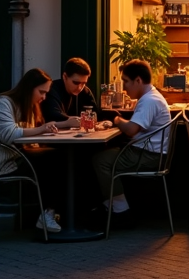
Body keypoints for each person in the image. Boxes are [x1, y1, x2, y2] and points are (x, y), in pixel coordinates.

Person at [91, 60, 171, 229]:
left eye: (126, 81)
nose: (125, 87)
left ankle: (120, 211)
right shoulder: (152, 96)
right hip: (151, 152)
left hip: (148, 156)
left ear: (138, 80)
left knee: (100, 160)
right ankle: (111, 206)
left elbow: (131, 130)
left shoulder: (149, 100)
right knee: (104, 156)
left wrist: (116, 119)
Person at [0, 68, 63, 233]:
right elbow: (9, 134)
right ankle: (48, 213)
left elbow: (30, 140)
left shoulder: (31, 107)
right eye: (41, 92)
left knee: (60, 158)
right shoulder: (5, 103)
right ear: (29, 88)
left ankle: (52, 212)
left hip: (20, 157)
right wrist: (41, 130)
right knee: (55, 159)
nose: (43, 97)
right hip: (7, 163)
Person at [41, 57, 99, 127]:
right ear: (65, 77)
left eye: (83, 83)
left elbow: (96, 113)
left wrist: (115, 118)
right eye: (76, 83)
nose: (80, 87)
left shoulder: (85, 91)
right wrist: (74, 120)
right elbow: (54, 115)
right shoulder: (51, 89)